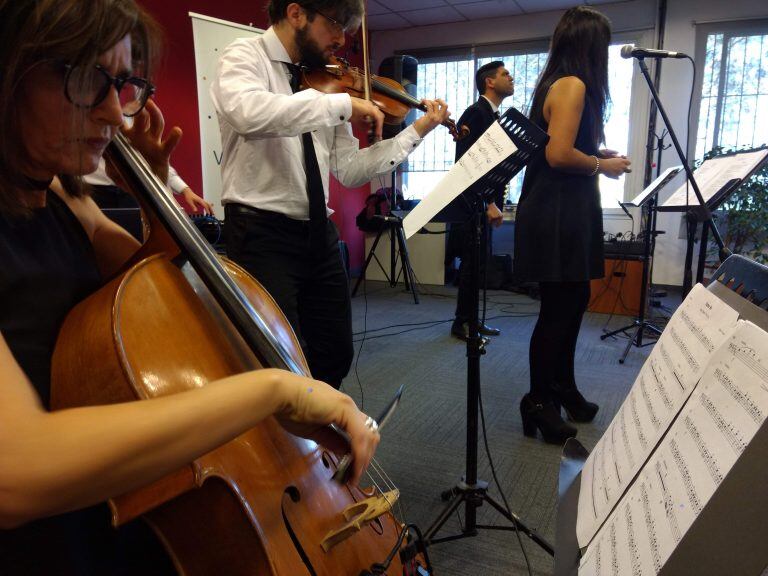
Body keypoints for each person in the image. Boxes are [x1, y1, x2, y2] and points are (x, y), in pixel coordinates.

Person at [0, 1, 379, 573]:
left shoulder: (63, 197)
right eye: (88, 80)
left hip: (117, 501)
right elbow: (16, 473)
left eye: (122, 84)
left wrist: (148, 193)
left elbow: (156, 287)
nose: (114, 113)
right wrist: (273, 392)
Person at [210, 0, 450, 389]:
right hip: (261, 234)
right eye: (336, 25)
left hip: (319, 234)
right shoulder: (244, 56)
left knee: (335, 351)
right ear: (296, 13)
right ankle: (286, 446)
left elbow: (349, 168)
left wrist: (415, 131)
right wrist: (339, 104)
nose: (342, 40)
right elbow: (247, 113)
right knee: (276, 358)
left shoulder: (325, 81)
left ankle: (321, 440)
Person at [513, 6, 632, 444]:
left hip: (564, 205)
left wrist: (599, 153)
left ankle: (562, 387)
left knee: (572, 299)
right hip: (557, 209)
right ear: (590, 46)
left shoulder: (558, 82)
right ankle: (538, 401)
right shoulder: (574, 85)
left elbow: (563, 146)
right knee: (558, 310)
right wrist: (602, 163)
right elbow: (558, 155)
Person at [449, 61, 514, 341]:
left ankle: (473, 321)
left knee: (479, 266)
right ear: (489, 82)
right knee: (471, 267)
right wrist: (487, 202)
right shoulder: (475, 114)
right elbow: (466, 163)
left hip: (487, 203)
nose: (511, 78)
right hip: (472, 205)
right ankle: (461, 323)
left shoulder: (495, 115)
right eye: (505, 74)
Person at [86, 157, 214, 214]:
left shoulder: (132, 117)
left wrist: (185, 190)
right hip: (91, 193)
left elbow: (154, 160)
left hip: (131, 192)